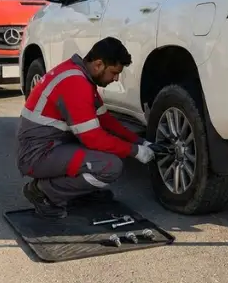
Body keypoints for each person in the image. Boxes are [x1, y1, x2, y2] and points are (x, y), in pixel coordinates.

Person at [16, 37, 156, 218]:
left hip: (50, 145)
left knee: (107, 151)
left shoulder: (79, 74)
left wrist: (141, 141)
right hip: (37, 154)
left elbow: (106, 121)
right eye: (114, 72)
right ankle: (44, 192)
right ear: (98, 65)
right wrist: (135, 151)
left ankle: (79, 192)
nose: (116, 78)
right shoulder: (76, 83)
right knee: (110, 166)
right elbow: (93, 138)